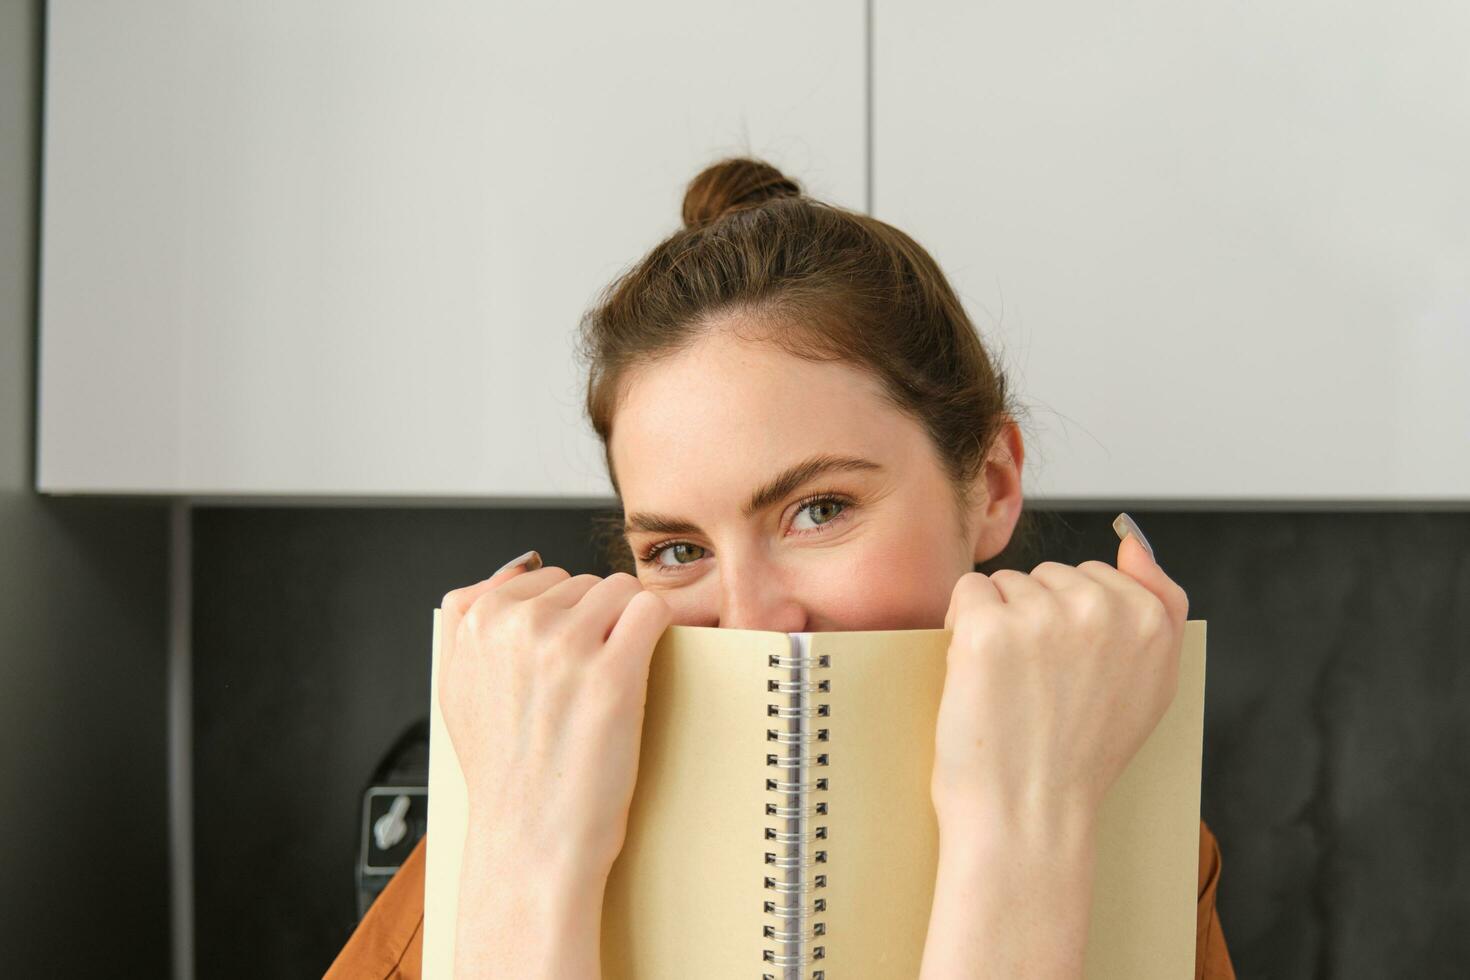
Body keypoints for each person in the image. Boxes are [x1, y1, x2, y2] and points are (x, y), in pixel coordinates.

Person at [326, 158, 1236, 979]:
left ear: (990, 486)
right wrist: (523, 854)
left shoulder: (1136, 839)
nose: (757, 623)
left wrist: (1025, 835)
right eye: (678, 551)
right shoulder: (480, 841)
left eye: (820, 510)